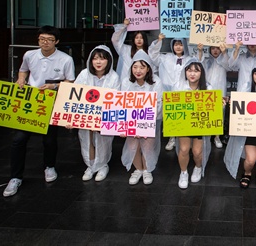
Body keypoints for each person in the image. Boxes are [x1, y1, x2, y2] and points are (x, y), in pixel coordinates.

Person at [3, 26, 75, 197]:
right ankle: (15, 177)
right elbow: (23, 70)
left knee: (49, 140)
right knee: (19, 139)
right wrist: (21, 79)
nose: (45, 42)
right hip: (30, 102)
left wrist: (54, 86)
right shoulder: (29, 55)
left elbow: (70, 81)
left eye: (49, 39)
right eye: (42, 39)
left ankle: (49, 167)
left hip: (50, 102)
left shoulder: (65, 59)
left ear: (56, 41)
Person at [223, 57, 256, 188]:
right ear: (252, 75)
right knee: (250, 160)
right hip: (249, 131)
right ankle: (247, 173)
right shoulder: (246, 90)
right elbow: (238, 104)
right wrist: (231, 102)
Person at [71, 45, 121, 182]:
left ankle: (102, 165)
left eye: (102, 59)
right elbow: (74, 95)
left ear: (109, 60)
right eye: (95, 59)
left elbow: (116, 99)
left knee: (103, 140)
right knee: (86, 139)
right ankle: (90, 165)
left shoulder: (114, 77)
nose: (98, 62)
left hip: (104, 116)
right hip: (86, 115)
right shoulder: (84, 74)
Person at [120, 50, 163, 185]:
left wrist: (142, 126)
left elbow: (158, 103)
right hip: (130, 121)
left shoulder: (156, 82)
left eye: (142, 67)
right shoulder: (126, 82)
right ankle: (138, 169)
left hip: (150, 121)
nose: (138, 70)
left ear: (148, 69)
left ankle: (147, 169)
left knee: (148, 146)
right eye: (135, 67)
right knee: (132, 145)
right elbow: (121, 103)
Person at [148, 33, 192, 151]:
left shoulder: (189, 59)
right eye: (176, 44)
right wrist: (159, 40)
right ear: (172, 46)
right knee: (170, 117)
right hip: (168, 92)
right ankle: (171, 138)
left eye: (181, 44)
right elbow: (153, 55)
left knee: (183, 117)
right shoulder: (165, 57)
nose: (178, 47)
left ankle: (183, 139)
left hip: (183, 91)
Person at [175, 59, 213, 189]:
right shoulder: (179, 86)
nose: (192, 74)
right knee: (184, 149)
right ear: (185, 72)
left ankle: (198, 167)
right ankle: (183, 172)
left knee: (197, 152)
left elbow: (212, 108)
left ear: (201, 73)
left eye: (196, 71)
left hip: (199, 123)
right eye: (189, 70)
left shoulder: (208, 87)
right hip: (183, 122)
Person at [199, 43, 230, 149]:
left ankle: (217, 137)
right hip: (207, 91)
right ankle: (205, 137)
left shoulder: (224, 60)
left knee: (220, 113)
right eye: (213, 48)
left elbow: (230, 65)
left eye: (217, 48)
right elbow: (198, 63)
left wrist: (225, 52)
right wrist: (200, 51)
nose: (215, 51)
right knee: (206, 113)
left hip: (220, 90)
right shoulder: (206, 60)